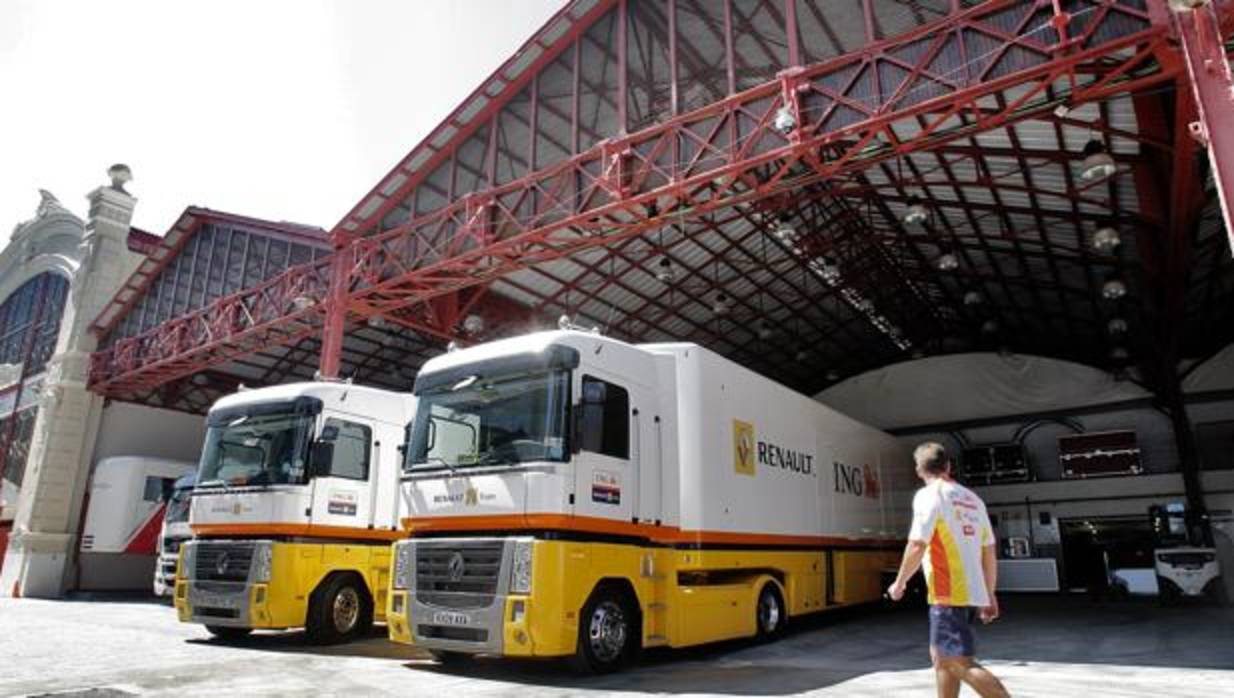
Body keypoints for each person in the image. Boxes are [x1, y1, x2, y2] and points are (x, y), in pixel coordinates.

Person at [887, 442, 1011, 698]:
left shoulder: (929, 495)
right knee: (942, 662)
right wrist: (989, 593)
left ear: (919, 470)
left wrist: (899, 583)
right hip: (970, 594)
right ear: (948, 466)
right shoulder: (973, 499)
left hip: (948, 592)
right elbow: (989, 550)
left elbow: (918, 544)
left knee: (957, 662)